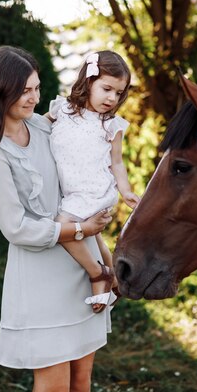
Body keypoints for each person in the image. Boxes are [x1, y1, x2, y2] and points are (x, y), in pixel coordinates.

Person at [0, 45, 113, 392]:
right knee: (54, 390)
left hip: (83, 269)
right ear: (0, 91)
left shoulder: (45, 128)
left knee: (80, 385)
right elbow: (16, 228)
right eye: (25, 90)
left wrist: (101, 248)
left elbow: (74, 191)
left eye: (37, 88)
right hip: (41, 281)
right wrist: (79, 231)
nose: (34, 98)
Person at [47, 51, 140, 313]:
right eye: (107, 88)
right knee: (95, 237)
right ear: (88, 82)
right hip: (71, 189)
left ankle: (98, 274)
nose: (112, 98)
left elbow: (117, 162)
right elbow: (38, 128)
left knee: (60, 228)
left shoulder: (110, 125)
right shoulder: (62, 110)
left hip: (93, 191)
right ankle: (116, 280)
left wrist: (126, 191)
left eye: (119, 93)